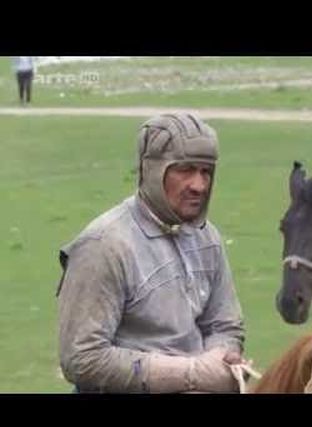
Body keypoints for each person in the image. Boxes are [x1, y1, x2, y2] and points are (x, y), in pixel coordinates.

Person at [57, 112, 246, 393]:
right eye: (185, 169)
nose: (199, 185)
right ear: (153, 171)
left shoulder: (207, 238)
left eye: (206, 171)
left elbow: (225, 324)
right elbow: (82, 358)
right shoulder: (104, 245)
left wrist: (221, 360)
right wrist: (191, 373)